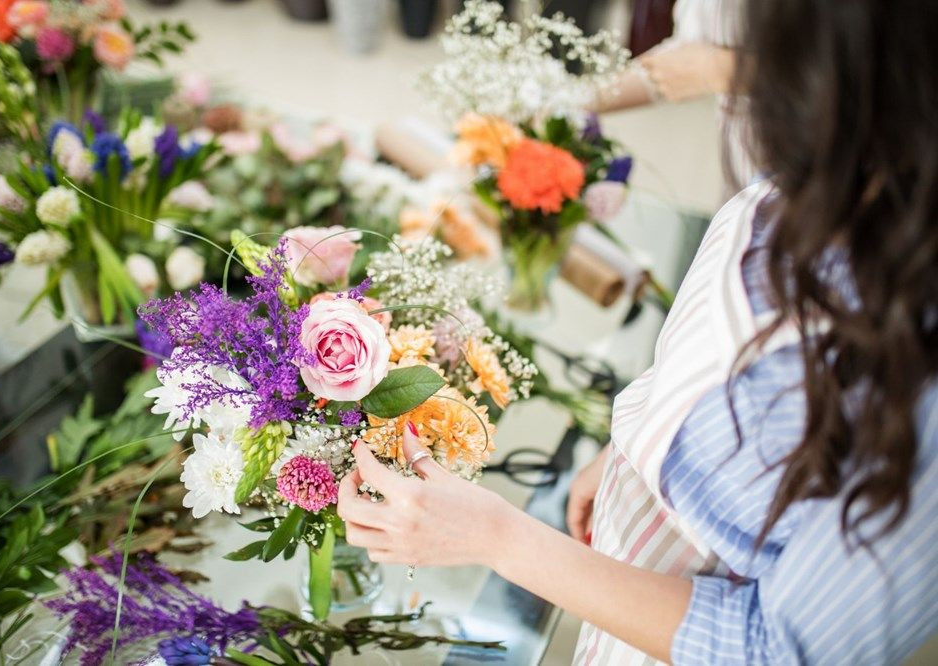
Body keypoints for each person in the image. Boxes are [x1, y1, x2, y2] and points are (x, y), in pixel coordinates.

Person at [336, 0, 938, 663]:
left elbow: (776, 647)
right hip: (630, 561)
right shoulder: (836, 169)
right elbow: (722, 360)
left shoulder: (918, 389)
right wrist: (637, 442)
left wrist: (499, 538)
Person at [596, 0, 751, 198]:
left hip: (791, 177)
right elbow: (682, 57)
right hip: (740, 178)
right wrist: (573, 101)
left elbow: (800, 66)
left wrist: (719, 68)